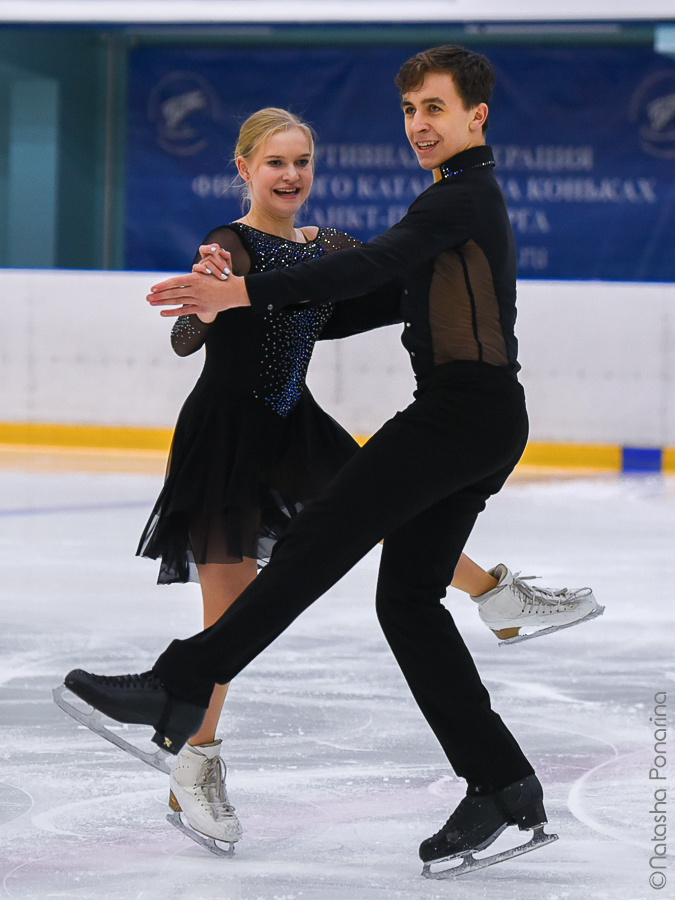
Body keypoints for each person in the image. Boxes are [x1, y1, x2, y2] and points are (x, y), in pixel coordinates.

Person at [63, 47, 585, 874]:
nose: (419, 124)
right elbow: (368, 295)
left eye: (435, 110)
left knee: (316, 543)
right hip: (471, 419)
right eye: (410, 109)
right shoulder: (448, 202)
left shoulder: (460, 197)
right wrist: (231, 296)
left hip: (458, 417)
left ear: (475, 117)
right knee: (405, 604)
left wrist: (245, 293)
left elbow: (371, 266)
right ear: (247, 169)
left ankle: (181, 680)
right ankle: (503, 787)